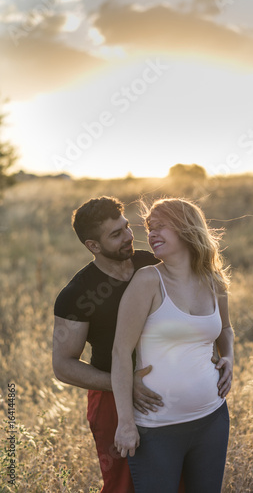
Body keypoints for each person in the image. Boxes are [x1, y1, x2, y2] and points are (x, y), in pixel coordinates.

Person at [112, 198, 234, 493]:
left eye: (161, 226)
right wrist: (126, 423)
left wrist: (229, 356)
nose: (151, 234)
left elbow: (226, 328)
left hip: (212, 419)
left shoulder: (213, 280)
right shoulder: (148, 281)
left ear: (187, 228)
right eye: (149, 228)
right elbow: (119, 352)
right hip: (157, 429)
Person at [52, 196, 165, 493]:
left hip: (168, 388)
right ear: (93, 246)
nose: (129, 236)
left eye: (126, 227)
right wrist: (123, 384)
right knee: (124, 486)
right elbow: (63, 365)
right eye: (116, 234)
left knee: (175, 480)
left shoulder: (153, 264)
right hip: (111, 400)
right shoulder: (77, 294)